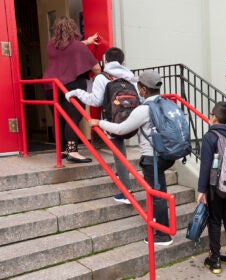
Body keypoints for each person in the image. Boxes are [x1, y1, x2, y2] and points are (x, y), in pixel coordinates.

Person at [88, 70, 174, 245]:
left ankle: (163, 234)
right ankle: (162, 226)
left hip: (152, 157)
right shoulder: (165, 103)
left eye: (138, 87)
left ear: (142, 89)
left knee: (157, 194)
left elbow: (121, 129)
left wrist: (99, 122)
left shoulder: (144, 110)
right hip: (167, 154)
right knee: (160, 191)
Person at [65, 47, 138, 204]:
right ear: (123, 62)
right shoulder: (130, 77)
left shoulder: (102, 78)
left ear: (105, 61)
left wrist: (76, 92)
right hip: (134, 120)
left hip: (113, 120)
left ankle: (126, 192)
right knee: (122, 151)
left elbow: (95, 101)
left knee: (119, 153)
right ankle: (123, 175)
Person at [43, 16, 101, 163]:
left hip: (51, 87)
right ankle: (73, 151)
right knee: (73, 119)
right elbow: (96, 68)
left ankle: (62, 150)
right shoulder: (78, 47)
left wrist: (86, 42)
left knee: (59, 118)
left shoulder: (51, 44)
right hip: (72, 86)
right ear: (73, 29)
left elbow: (67, 48)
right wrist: (101, 80)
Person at [197, 102, 226, 274]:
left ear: (214, 117)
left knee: (215, 221)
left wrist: (202, 190)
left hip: (216, 187)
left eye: (210, 114)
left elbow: (206, 166)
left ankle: (214, 260)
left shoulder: (210, 136)